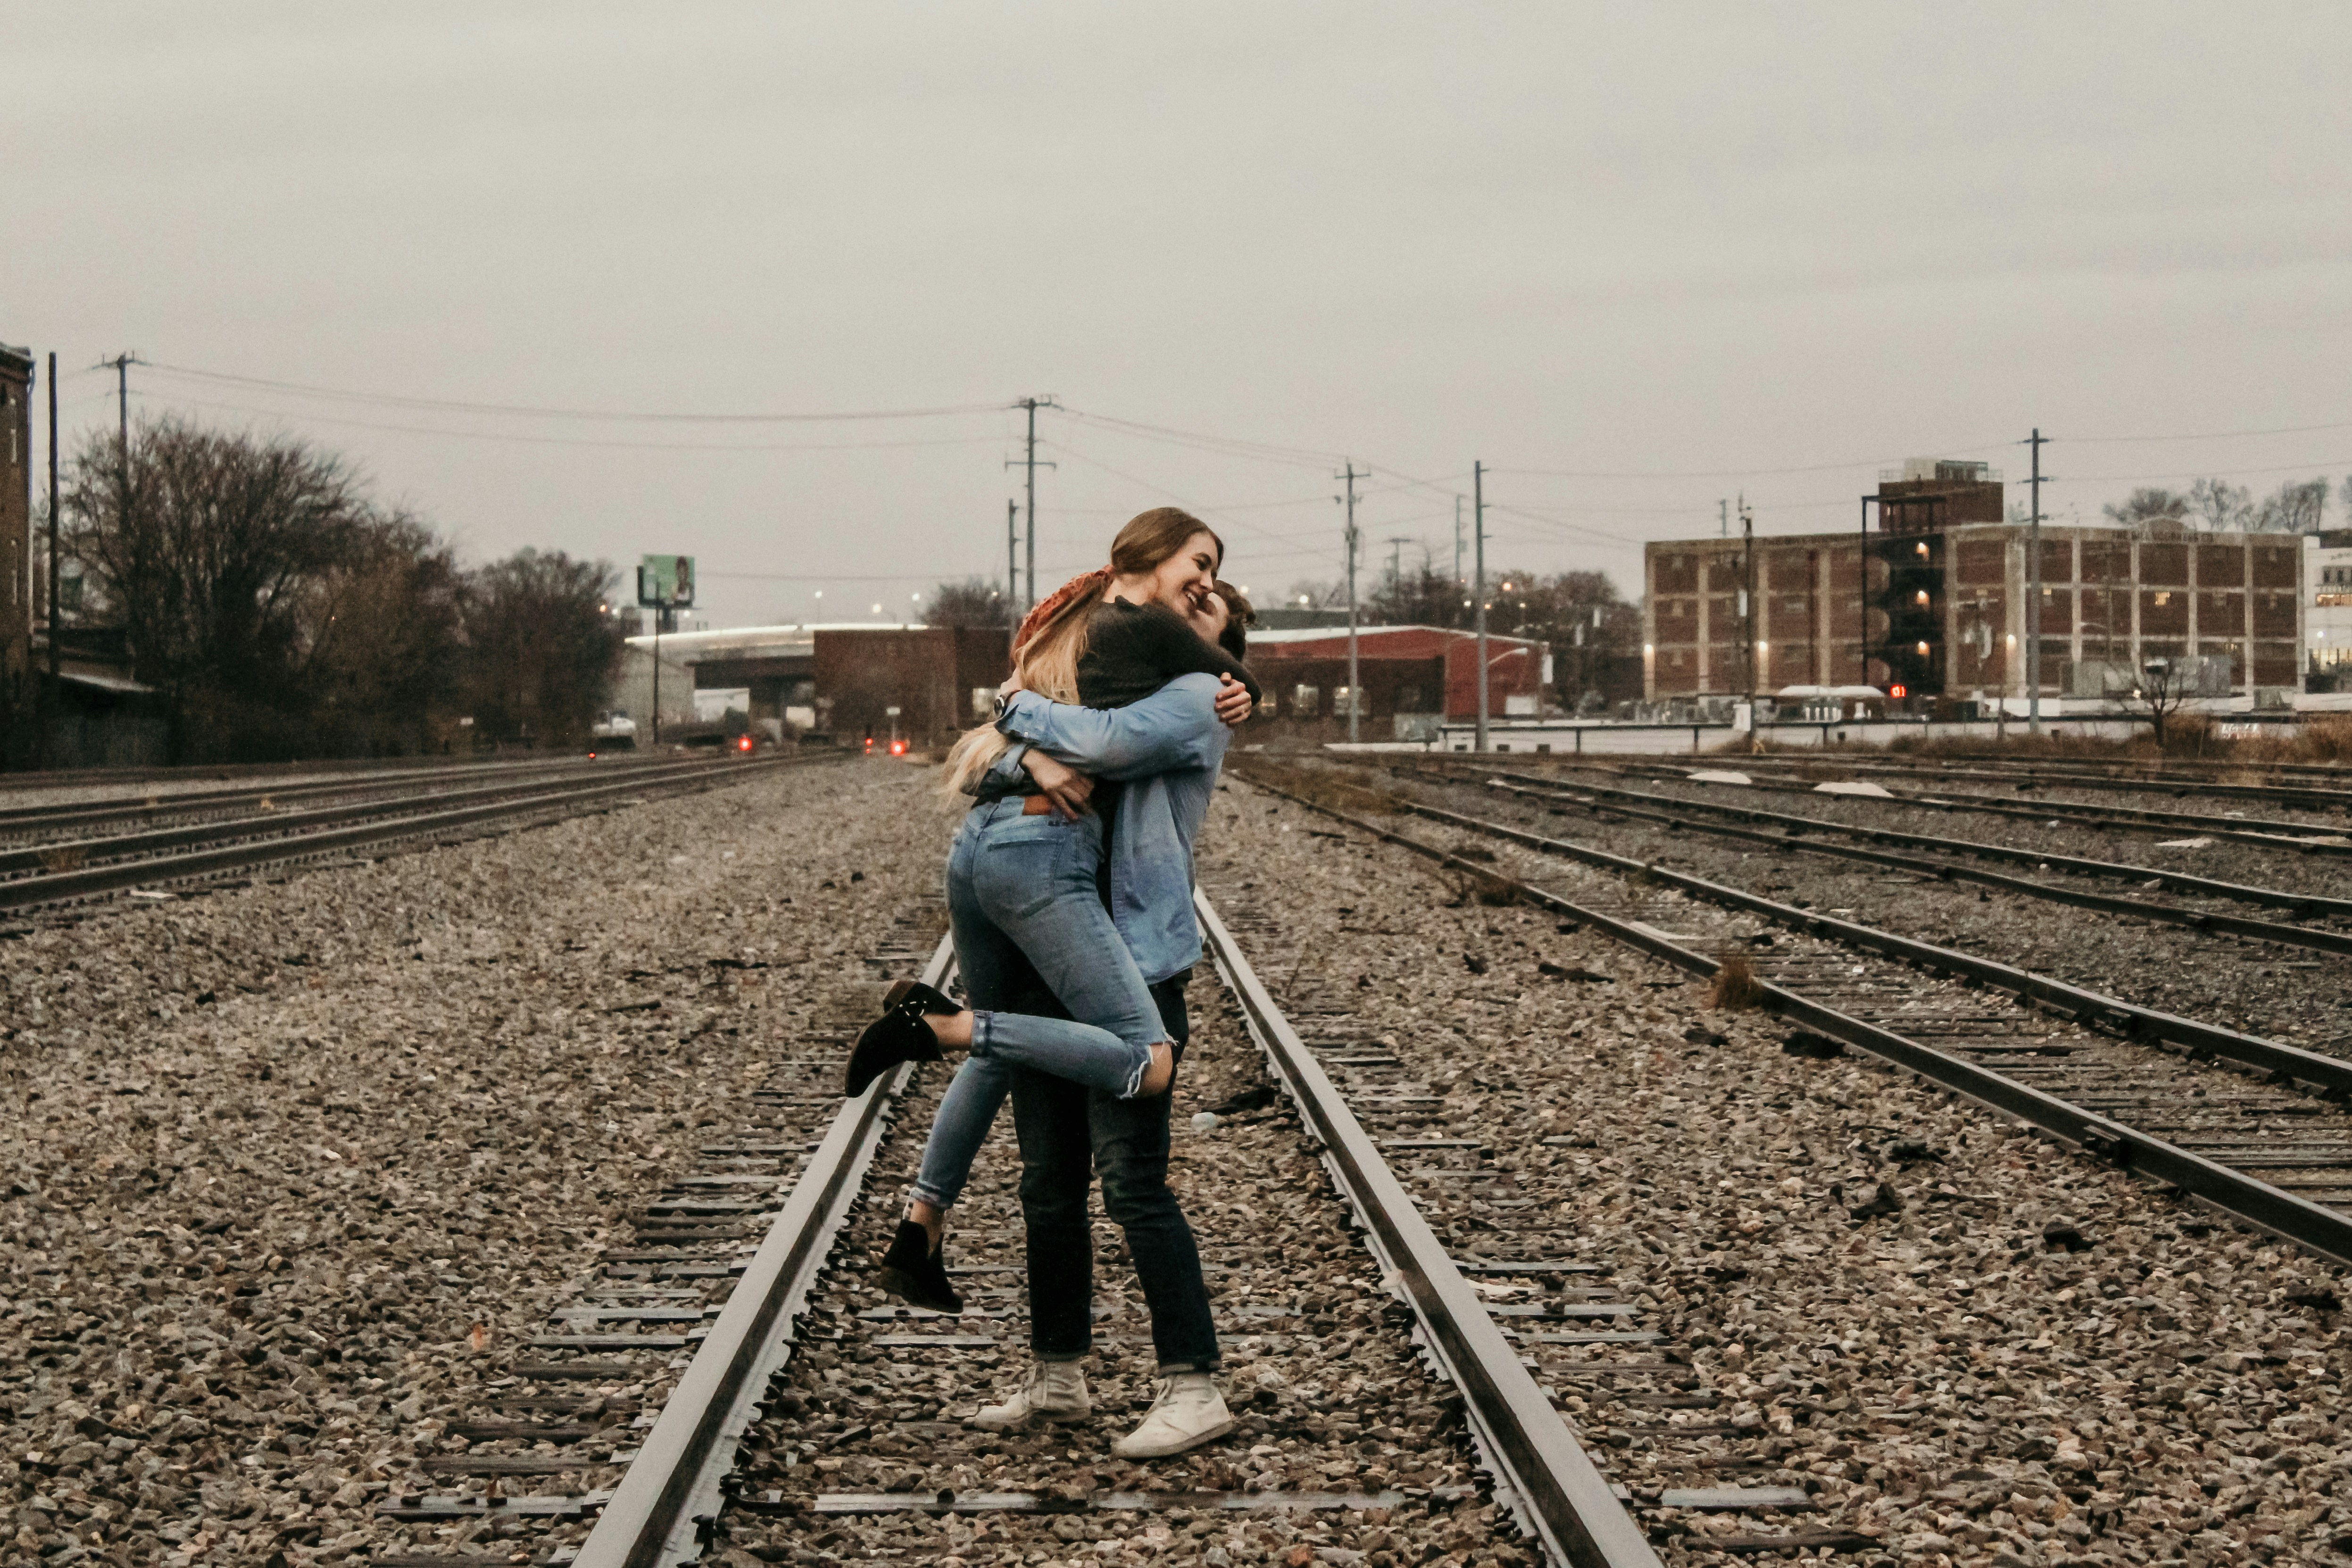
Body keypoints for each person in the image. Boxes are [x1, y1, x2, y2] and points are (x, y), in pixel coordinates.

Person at [850, 509, 1253, 1459]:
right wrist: (1020, 752)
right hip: (1066, 955)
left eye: (1212, 625)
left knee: (1133, 1184)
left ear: (1227, 657)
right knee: (1046, 1183)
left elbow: (1105, 751)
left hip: (1139, 964)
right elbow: (991, 777)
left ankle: (1194, 1385)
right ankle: (1058, 1375)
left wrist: (1013, 711)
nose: (1188, 626)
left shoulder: (1194, 704)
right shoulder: (1119, 694)